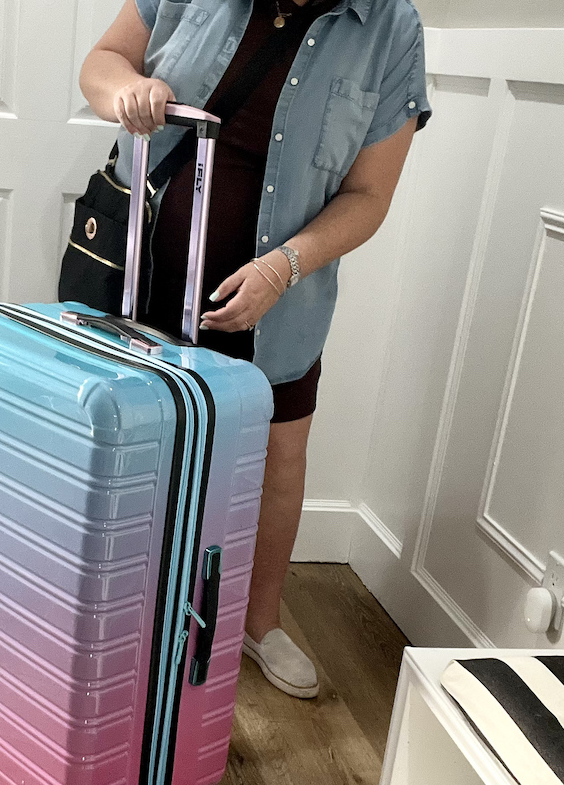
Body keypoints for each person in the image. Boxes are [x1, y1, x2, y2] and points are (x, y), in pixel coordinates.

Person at [80, 0, 430, 699]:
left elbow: (368, 193)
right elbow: (102, 63)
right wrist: (126, 91)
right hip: (139, 275)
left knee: (279, 456)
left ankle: (258, 622)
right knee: (124, 443)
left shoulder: (391, 27)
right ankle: (109, 611)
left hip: (280, 302)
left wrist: (283, 268)